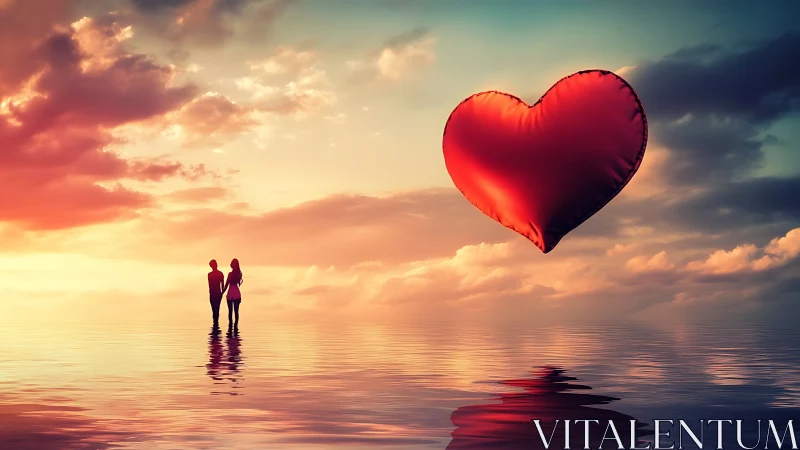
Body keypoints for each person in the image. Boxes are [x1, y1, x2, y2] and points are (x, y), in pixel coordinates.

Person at [222, 258, 243, 328]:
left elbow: (226, 284)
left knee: (231, 311)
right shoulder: (239, 274)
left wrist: (222, 293)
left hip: (231, 293)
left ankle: (231, 327)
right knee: (235, 311)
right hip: (235, 293)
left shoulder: (231, 274)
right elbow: (238, 283)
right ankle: (235, 328)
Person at [207, 259, 225, 327]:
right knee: (217, 309)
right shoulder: (220, 274)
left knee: (214, 310)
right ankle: (216, 324)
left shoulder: (210, 275)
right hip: (217, 293)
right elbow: (222, 286)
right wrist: (221, 293)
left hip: (213, 293)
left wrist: (221, 293)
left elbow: (210, 286)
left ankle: (215, 324)